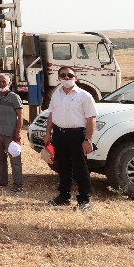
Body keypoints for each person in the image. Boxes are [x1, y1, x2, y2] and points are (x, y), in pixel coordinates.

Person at [45, 66, 97, 210]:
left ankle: (84, 200)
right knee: (63, 166)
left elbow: (91, 119)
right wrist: (48, 133)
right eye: (63, 75)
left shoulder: (84, 96)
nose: (66, 77)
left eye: (70, 75)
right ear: (59, 77)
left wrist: (88, 140)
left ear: (76, 77)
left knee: (81, 168)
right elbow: (51, 115)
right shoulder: (56, 94)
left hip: (77, 135)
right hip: (59, 134)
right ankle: (64, 196)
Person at [0, 73, 24, 191]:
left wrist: (17, 132)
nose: (1, 84)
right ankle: (2, 180)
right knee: (0, 159)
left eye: (4, 82)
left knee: (15, 160)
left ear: (8, 83)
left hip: (11, 135)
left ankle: (18, 185)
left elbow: (20, 115)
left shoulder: (14, 97)